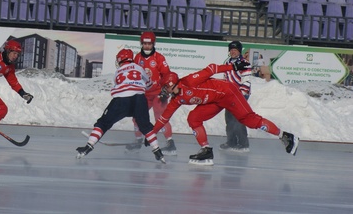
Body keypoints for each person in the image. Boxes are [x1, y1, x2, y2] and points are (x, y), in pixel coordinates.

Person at [152, 62, 299, 166]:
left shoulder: (190, 81)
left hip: (228, 93)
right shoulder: (177, 99)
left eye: (165, 88)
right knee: (193, 118)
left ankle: (286, 136)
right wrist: (152, 134)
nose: (164, 91)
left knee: (250, 120)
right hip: (215, 102)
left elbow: (211, 69)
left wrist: (233, 67)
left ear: (172, 85)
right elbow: (165, 117)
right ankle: (206, 150)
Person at [76, 49, 165, 163]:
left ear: (120, 59)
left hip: (122, 99)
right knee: (145, 126)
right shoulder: (139, 68)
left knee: (103, 123)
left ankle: (88, 147)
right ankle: (157, 151)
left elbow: (120, 85)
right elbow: (148, 84)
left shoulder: (118, 72)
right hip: (139, 98)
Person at [127, 31, 177, 155]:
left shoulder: (159, 58)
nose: (147, 46)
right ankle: (138, 141)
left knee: (160, 117)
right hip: (143, 93)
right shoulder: (137, 58)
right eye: (144, 44)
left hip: (158, 93)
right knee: (136, 117)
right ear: (141, 44)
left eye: (149, 44)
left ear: (153, 44)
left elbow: (167, 75)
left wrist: (166, 89)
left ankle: (170, 144)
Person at [219, 40, 253, 152]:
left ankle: (244, 144)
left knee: (238, 119)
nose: (233, 52)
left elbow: (247, 81)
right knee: (229, 119)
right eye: (231, 50)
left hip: (240, 95)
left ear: (239, 51)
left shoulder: (245, 63)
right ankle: (231, 142)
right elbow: (225, 79)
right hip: (229, 95)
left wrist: (242, 95)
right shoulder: (227, 63)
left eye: (235, 50)